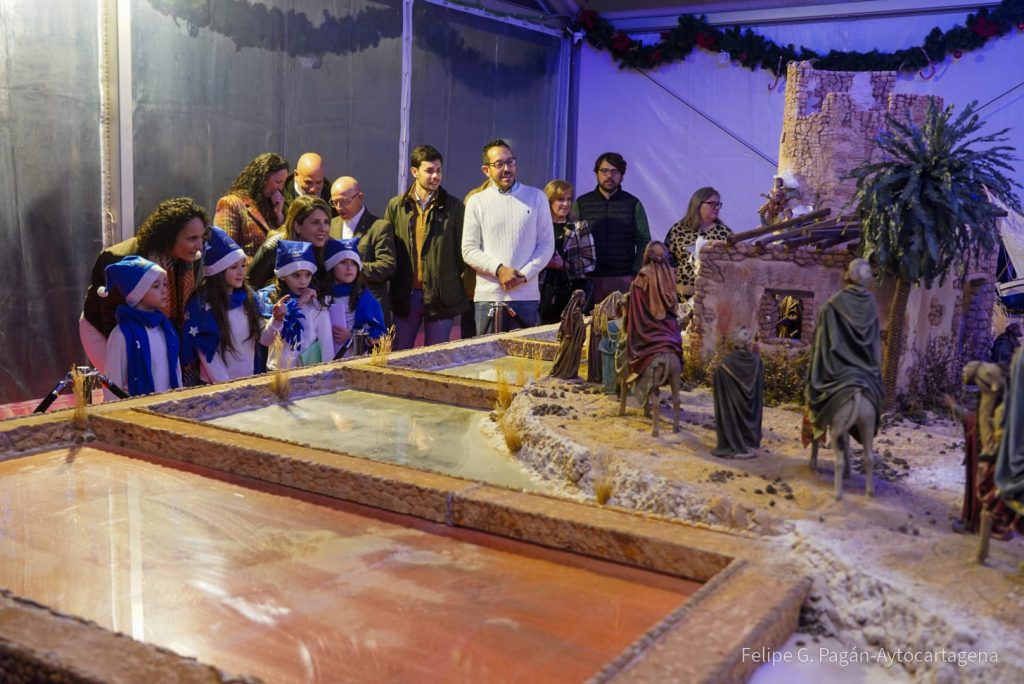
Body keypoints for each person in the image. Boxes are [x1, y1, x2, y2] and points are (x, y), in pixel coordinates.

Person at [81, 197, 206, 373]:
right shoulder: (124, 259)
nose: (200, 245)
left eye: (202, 237)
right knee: (129, 382)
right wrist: (130, 351)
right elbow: (110, 315)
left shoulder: (191, 258)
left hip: (149, 326)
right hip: (107, 329)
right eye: (192, 238)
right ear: (169, 237)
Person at [385, 145, 470, 350]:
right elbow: (389, 249)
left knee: (436, 357)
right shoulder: (397, 206)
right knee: (399, 356)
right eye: (429, 171)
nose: (436, 176)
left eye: (439, 170)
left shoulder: (454, 207)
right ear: (414, 172)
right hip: (406, 295)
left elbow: (462, 253)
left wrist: (445, 278)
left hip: (441, 296)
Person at [805, 258, 883, 444]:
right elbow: (874, 343)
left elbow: (824, 340)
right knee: (876, 393)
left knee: (817, 392)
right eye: (867, 271)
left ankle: (822, 424)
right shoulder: (866, 304)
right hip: (862, 369)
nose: (870, 275)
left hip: (840, 368)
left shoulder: (834, 304)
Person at [180, 228, 262, 384]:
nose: (241, 272)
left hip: (249, 382)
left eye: (243, 265)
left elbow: (263, 338)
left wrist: (277, 321)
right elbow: (206, 351)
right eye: (233, 267)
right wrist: (226, 386)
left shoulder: (249, 298)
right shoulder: (201, 305)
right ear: (218, 271)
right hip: (216, 385)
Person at [574, 152, 651, 308]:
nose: (609, 176)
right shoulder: (582, 203)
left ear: (621, 176)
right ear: (596, 173)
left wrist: (634, 272)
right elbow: (573, 241)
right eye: (604, 171)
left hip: (623, 279)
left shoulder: (633, 204)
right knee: (587, 321)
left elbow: (644, 241)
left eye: (615, 171)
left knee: (621, 321)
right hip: (588, 280)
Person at [99, 256, 182, 398]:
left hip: (169, 404)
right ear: (138, 293)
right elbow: (113, 382)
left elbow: (175, 370)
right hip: (137, 407)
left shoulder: (166, 327)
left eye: (165, 284)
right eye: (156, 286)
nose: (164, 291)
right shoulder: (121, 334)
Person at [329, 176, 397, 327]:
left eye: (345, 202)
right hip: (338, 306)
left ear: (360, 197)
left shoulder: (379, 227)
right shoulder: (331, 225)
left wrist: (353, 268)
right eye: (335, 202)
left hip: (370, 305)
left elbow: (387, 266)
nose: (339, 207)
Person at [257, 240, 334, 369]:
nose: (303, 281)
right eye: (296, 275)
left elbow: (326, 343)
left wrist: (328, 371)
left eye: (307, 275)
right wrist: (279, 317)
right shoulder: (270, 299)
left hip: (308, 371)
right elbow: (265, 340)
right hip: (277, 371)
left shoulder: (318, 303)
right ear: (283, 276)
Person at [540, 180, 596, 324]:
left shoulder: (579, 227)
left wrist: (565, 265)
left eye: (569, 199)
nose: (566, 204)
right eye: (560, 199)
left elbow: (590, 262)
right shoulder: (538, 227)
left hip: (570, 293)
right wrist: (543, 263)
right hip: (540, 292)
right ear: (549, 201)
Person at [246, 196, 333, 291]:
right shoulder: (273, 248)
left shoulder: (331, 247)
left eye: (326, 222)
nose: (323, 228)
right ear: (297, 226)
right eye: (315, 222)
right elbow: (249, 289)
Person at [215, 152, 289, 257]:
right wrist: (258, 265)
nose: (281, 188)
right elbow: (225, 253)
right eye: (278, 182)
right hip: (246, 268)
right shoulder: (231, 203)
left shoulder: (272, 206)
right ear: (262, 178)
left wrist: (279, 215)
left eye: (283, 183)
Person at [665, 187, 732, 299]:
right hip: (681, 294)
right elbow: (666, 257)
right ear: (698, 204)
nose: (717, 208)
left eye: (718, 204)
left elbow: (731, 263)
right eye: (712, 204)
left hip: (712, 295)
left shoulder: (724, 233)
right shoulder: (678, 229)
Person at [323, 238, 386, 358]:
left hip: (354, 357)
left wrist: (352, 337)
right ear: (331, 266)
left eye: (353, 263)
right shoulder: (322, 296)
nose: (349, 268)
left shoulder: (364, 297)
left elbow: (379, 334)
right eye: (343, 262)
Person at [712, 326, 764, 458]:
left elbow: (718, 377)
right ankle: (748, 440)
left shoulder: (726, 363)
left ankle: (734, 440)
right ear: (748, 343)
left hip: (733, 406)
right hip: (750, 409)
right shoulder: (757, 363)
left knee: (732, 412)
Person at [282, 152, 335, 216]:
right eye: (308, 182)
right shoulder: (280, 196)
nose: (313, 189)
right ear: (296, 175)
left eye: (318, 182)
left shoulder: (333, 199)